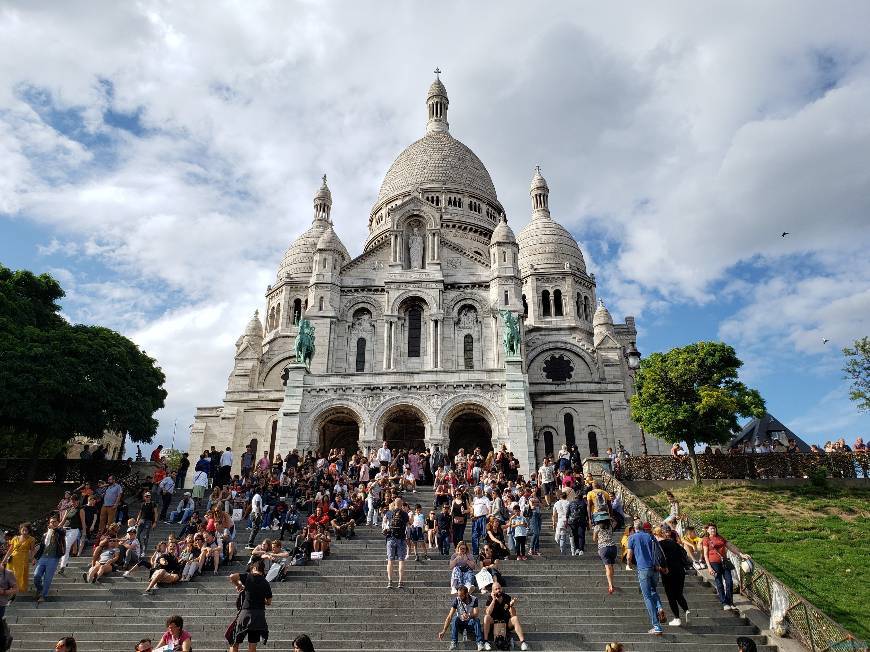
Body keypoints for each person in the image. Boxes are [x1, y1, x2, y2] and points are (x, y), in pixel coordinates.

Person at [626, 522, 666, 635]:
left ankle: (656, 626)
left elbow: (629, 555)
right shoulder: (651, 537)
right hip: (654, 568)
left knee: (647, 596)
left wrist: (629, 564)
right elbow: (659, 552)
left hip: (643, 568)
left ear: (636, 528)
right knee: (653, 590)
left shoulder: (632, 537)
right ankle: (659, 608)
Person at [229, 559, 273, 652]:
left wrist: (238, 585)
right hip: (258, 616)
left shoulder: (248, 577)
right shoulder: (266, 583)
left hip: (246, 613)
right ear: (263, 570)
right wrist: (261, 599)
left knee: (234, 642)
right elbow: (269, 602)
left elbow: (232, 576)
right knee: (252, 644)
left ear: (253, 568)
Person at [655, 526, 690, 626]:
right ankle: (686, 610)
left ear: (659, 534)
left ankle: (677, 618)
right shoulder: (674, 543)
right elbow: (684, 553)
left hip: (668, 572)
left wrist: (660, 567)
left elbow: (659, 558)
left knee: (671, 596)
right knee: (679, 593)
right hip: (680, 571)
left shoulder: (660, 545)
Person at [482, 582, 529, 651]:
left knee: (515, 618)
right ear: (493, 591)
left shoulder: (507, 597)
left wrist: (511, 606)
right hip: (494, 623)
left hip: (505, 623)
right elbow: (488, 612)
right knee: (486, 617)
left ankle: (523, 642)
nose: (498, 590)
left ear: (502, 588)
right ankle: (485, 641)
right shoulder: (490, 599)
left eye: (499, 588)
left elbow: (513, 614)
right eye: (496, 589)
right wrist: (493, 600)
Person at [703, 523, 738, 611]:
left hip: (724, 562)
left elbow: (730, 547)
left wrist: (741, 554)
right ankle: (724, 602)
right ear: (707, 530)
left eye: (714, 528)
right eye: (711, 529)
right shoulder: (706, 540)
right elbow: (705, 554)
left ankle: (729, 601)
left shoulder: (721, 538)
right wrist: (709, 567)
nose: (713, 530)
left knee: (729, 581)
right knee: (719, 582)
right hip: (714, 562)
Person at [438, 584, 484, 651]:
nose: (459, 597)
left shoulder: (474, 599)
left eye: (461, 595)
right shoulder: (457, 600)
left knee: (476, 620)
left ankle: (479, 642)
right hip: (460, 623)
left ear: (466, 594)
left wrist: (468, 615)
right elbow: (449, 616)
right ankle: (454, 642)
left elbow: (476, 613)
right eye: (458, 595)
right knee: (455, 618)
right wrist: (443, 631)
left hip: (469, 623)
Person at [33, 515, 66, 603]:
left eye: (55, 522)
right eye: (51, 522)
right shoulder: (45, 534)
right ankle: (40, 589)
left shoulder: (60, 532)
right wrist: (35, 558)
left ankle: (43, 595)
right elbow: (41, 547)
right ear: (49, 523)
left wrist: (55, 528)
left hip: (53, 558)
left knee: (47, 578)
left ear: (58, 523)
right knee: (36, 576)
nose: (53, 523)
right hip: (43, 558)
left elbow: (62, 533)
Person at [1, 523, 36, 591]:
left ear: (29, 531)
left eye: (26, 530)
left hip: (23, 559)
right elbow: (10, 550)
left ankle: (16, 589)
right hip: (13, 559)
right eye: (23, 530)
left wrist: (33, 559)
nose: (24, 532)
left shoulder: (31, 539)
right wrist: (4, 560)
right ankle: (10, 589)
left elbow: (32, 550)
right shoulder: (15, 538)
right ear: (20, 530)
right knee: (10, 573)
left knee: (19, 574)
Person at [384, 499, 409, 589]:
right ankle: (400, 582)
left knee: (390, 560)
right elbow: (407, 524)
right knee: (401, 560)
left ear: (394, 504)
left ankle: (390, 581)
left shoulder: (389, 513)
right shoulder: (405, 514)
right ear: (401, 504)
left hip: (390, 538)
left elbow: (385, 523)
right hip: (401, 539)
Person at [592, 517, 618, 594]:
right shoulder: (610, 526)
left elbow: (594, 539)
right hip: (613, 547)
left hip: (603, 548)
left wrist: (599, 539)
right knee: (611, 566)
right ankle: (612, 582)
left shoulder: (597, 527)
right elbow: (615, 522)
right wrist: (610, 518)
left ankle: (610, 585)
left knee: (607, 567)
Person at [470, 487, 491, 557]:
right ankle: (475, 552)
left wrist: (488, 516)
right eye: (475, 491)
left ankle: (486, 552)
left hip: (483, 518)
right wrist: (472, 515)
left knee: (484, 535)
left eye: (478, 491)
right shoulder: (474, 499)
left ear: (481, 491)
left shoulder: (486, 499)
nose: (477, 492)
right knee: (475, 536)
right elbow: (472, 508)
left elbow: (489, 509)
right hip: (475, 519)